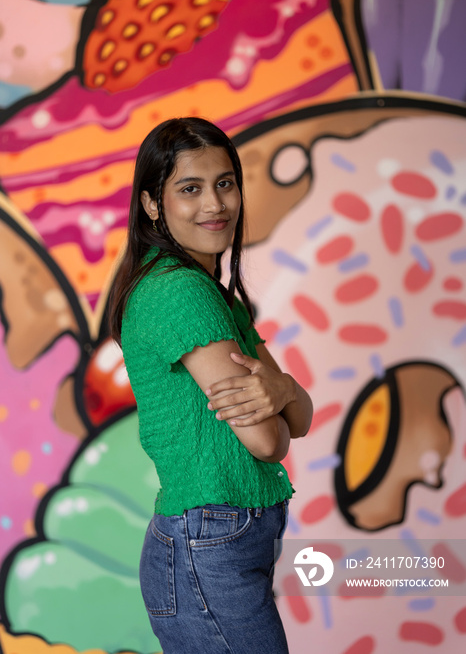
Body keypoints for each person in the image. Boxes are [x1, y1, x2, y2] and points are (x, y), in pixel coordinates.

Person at [109, 117, 313, 654]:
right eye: (190, 189)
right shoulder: (177, 293)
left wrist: (284, 390)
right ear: (153, 204)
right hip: (208, 546)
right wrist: (283, 395)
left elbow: (300, 415)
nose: (214, 205)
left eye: (224, 183)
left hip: (220, 543)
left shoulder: (216, 295)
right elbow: (270, 441)